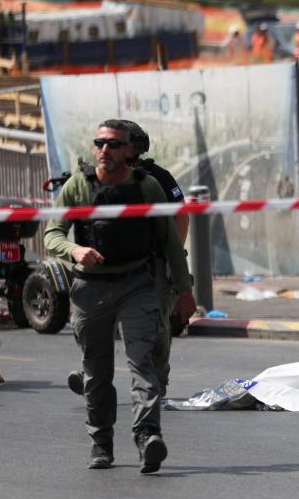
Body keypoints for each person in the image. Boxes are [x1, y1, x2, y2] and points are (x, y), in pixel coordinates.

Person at [44, 120, 196, 473]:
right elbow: (52, 233)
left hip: (138, 283)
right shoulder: (78, 185)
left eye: (113, 144)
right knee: (96, 370)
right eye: (99, 143)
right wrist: (74, 250)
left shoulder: (149, 185)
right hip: (90, 288)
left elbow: (172, 239)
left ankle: (147, 435)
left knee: (144, 361)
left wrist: (184, 289)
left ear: (129, 149)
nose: (105, 150)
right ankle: (101, 442)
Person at [65, 120, 188, 400]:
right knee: (91, 323)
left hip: (150, 266)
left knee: (156, 328)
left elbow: (180, 216)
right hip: (106, 266)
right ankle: (91, 373)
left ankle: (156, 382)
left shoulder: (156, 179)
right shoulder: (95, 178)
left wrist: (171, 257)